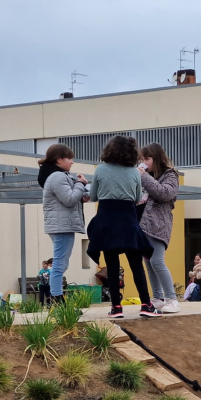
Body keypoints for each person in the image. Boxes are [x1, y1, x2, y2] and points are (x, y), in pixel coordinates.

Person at [86, 135, 157, 319]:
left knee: (112, 265)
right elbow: (136, 199)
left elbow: (93, 196)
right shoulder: (134, 172)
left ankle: (116, 307)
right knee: (136, 265)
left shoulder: (100, 170)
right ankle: (146, 305)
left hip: (107, 221)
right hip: (127, 221)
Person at [42, 144, 89, 306]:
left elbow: (70, 198)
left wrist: (81, 191)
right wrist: (80, 184)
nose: (72, 162)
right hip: (61, 226)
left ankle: (57, 298)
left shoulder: (59, 176)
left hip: (62, 225)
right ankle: (57, 300)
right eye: (69, 158)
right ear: (59, 159)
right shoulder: (57, 177)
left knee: (61, 262)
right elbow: (69, 200)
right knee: (60, 264)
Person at [139, 143, 180, 313]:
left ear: (156, 158)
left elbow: (165, 193)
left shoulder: (170, 175)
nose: (143, 163)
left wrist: (143, 177)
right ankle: (157, 299)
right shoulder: (145, 176)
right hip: (142, 225)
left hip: (158, 225)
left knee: (157, 261)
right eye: (141, 159)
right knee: (149, 262)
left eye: (147, 159)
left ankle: (172, 299)